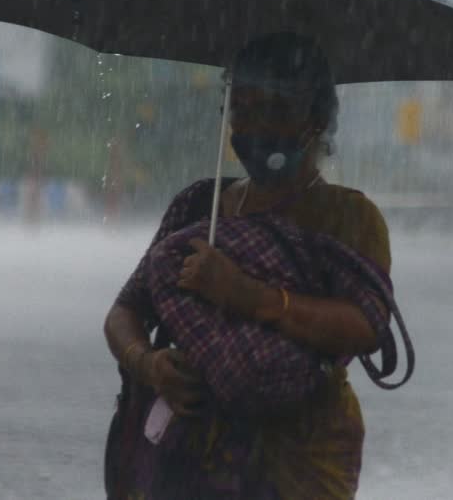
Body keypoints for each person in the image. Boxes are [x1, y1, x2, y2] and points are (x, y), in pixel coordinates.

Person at [103, 33, 396, 498]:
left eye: (277, 109)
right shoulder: (201, 206)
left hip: (303, 456)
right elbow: (123, 314)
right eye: (241, 108)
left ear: (316, 120)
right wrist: (151, 365)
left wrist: (252, 297)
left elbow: (366, 326)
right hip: (192, 452)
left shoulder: (350, 218)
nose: (254, 125)